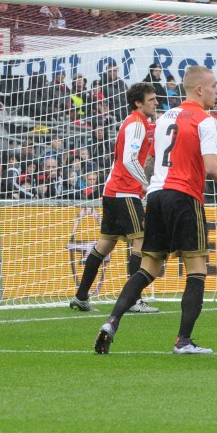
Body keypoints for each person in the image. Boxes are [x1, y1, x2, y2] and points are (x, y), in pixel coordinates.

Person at [94, 66, 217, 354]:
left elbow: (150, 160)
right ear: (199, 90)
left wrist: (147, 187)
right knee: (196, 269)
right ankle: (183, 341)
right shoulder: (205, 121)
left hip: (156, 196)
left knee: (148, 268)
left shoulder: (163, 118)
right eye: (214, 86)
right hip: (184, 197)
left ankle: (112, 322)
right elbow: (212, 168)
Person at [70, 83, 160, 314]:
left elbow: (119, 160)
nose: (156, 102)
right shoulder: (137, 125)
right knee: (141, 242)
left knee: (104, 245)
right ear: (138, 103)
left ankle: (81, 296)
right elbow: (129, 160)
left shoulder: (132, 123)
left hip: (113, 192)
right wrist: (147, 185)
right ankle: (133, 299)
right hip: (124, 193)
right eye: (151, 99)